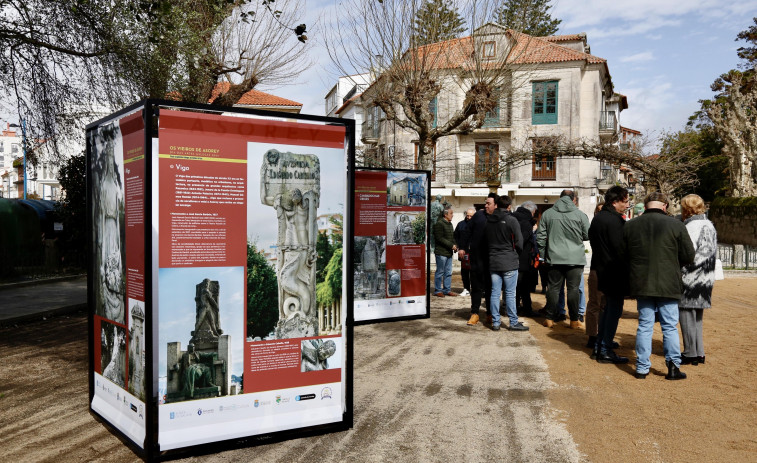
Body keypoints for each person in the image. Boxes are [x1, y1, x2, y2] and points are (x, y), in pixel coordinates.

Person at [622, 191, 695, 380]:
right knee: (669, 326)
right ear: (665, 206)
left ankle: (641, 368)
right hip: (668, 281)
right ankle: (673, 367)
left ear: (646, 205)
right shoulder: (676, 225)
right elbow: (688, 255)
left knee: (644, 325)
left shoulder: (630, 226)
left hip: (642, 281)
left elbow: (623, 255)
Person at [588, 186, 631, 364]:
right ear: (615, 201)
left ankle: (600, 345)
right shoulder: (613, 221)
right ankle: (604, 348)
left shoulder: (599, 219)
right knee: (613, 309)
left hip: (601, 268)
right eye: (626, 201)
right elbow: (619, 248)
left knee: (607, 309)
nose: (627, 205)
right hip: (613, 270)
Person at [536, 190, 590, 329]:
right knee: (573, 290)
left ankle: (549, 318)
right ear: (574, 200)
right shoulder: (580, 215)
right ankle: (573, 320)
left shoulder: (548, 214)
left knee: (553, 289)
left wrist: (543, 254)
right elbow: (587, 235)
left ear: (560, 198)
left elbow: (540, 237)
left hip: (554, 257)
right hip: (575, 257)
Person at [679, 194, 717, 366]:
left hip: (691, 276)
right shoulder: (709, 225)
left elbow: (688, 251)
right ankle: (699, 352)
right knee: (697, 316)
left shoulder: (692, 226)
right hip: (706, 276)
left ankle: (689, 352)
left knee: (686, 312)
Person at [485, 195, 526, 331]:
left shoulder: (489, 221)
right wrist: (515, 254)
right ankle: (513, 322)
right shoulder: (511, 220)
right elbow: (520, 242)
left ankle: (496, 322)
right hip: (509, 260)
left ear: (497, 205)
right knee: (509, 293)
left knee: (495, 293)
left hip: (493, 260)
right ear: (509, 206)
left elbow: (486, 241)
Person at [466, 194, 497, 326]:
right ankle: (475, 313)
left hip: (493, 260)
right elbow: (467, 230)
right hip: (477, 258)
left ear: (496, 205)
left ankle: (490, 314)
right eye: (485, 203)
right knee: (476, 287)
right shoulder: (479, 215)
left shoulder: (500, 217)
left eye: (488, 203)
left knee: (491, 288)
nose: (485, 205)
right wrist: (463, 247)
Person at [585, 201, 606, 349]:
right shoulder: (595, 228)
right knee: (594, 304)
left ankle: (604, 335)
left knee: (605, 305)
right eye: (598, 211)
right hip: (597, 268)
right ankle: (592, 336)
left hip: (604, 269)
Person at [512, 201, 538, 316]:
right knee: (523, 286)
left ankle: (519, 307)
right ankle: (524, 309)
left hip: (513, 257)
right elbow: (521, 240)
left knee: (517, 286)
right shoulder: (526, 223)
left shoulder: (513, 218)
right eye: (534, 212)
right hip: (522, 259)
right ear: (531, 211)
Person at [433, 207, 458, 297]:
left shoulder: (449, 224)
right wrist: (451, 245)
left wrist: (455, 245)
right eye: (451, 213)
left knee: (448, 272)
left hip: (448, 253)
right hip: (441, 252)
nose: (452, 215)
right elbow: (440, 238)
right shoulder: (439, 224)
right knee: (440, 272)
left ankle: (447, 290)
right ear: (445, 214)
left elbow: (452, 237)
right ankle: (437, 290)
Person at [454, 208, 475, 296]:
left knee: (474, 272)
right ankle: (466, 289)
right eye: (467, 215)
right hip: (463, 252)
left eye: (471, 216)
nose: (469, 217)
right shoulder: (461, 224)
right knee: (464, 272)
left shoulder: (477, 225)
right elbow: (455, 236)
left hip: (474, 253)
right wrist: (457, 245)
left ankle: (475, 289)